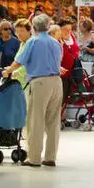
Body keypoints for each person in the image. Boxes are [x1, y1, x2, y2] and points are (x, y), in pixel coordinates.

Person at [18, 12, 65, 167]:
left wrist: (7, 71)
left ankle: (34, 157)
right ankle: (50, 157)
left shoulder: (33, 42)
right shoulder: (56, 42)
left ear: (33, 27)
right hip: (57, 82)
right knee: (53, 121)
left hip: (40, 82)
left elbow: (20, 61)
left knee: (36, 120)